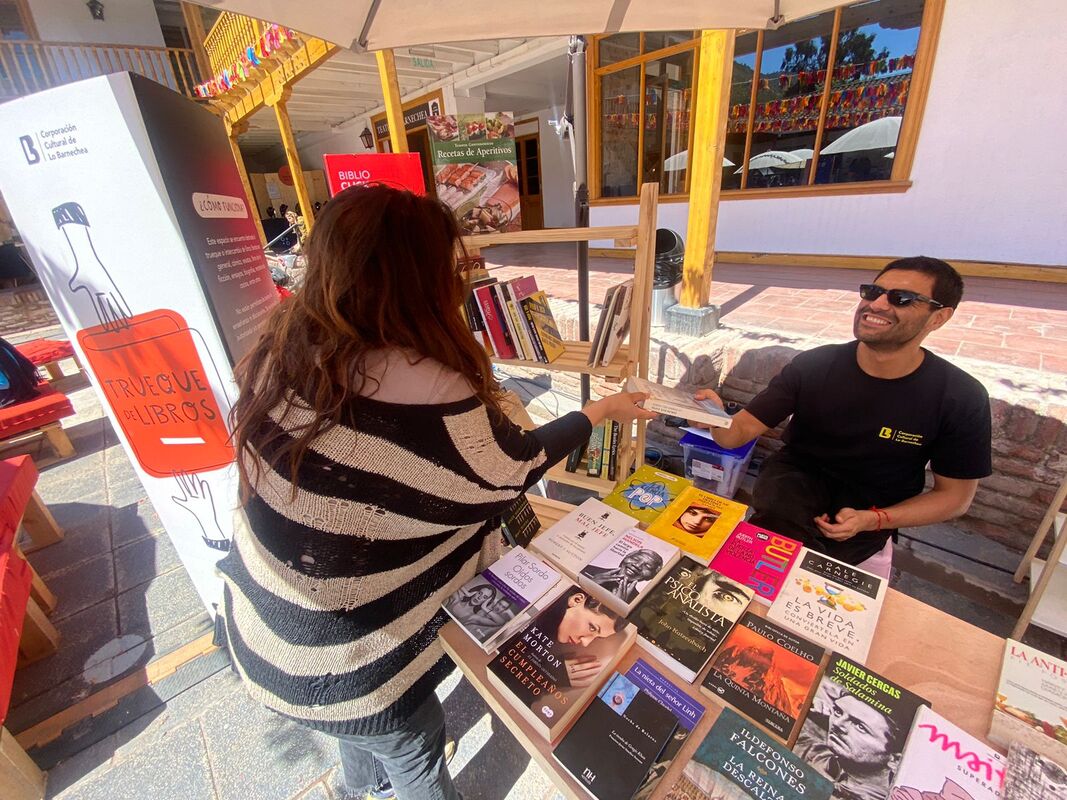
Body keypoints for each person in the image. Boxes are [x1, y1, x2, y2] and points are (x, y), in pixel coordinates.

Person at [222, 184, 655, 800]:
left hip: (267, 634)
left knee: (362, 741)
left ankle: (352, 792)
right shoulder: (430, 388)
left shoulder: (282, 348)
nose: (464, 277)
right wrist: (605, 407)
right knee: (415, 754)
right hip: (359, 663)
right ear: (419, 277)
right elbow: (513, 468)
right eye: (454, 265)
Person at [693, 257, 991, 569]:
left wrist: (874, 520)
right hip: (792, 488)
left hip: (873, 507)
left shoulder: (960, 396)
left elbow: (954, 498)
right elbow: (736, 433)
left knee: (812, 575)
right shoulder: (815, 365)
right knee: (766, 559)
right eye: (872, 291)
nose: (876, 304)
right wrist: (715, 416)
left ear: (938, 317)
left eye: (901, 298)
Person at [795, 687, 908, 800]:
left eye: (860, 727)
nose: (837, 723)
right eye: (838, 712)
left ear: (895, 760)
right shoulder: (816, 753)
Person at [582, 549, 664, 604]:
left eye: (647, 567)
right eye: (635, 559)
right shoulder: (588, 569)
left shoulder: (636, 601)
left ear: (651, 576)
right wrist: (589, 584)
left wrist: (618, 605)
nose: (637, 565)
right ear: (626, 557)